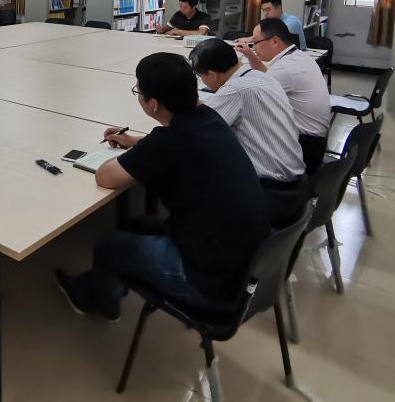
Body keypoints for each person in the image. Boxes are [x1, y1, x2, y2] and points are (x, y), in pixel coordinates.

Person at [54, 53, 270, 321]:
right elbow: (170, 144)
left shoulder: (169, 141)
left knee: (107, 245)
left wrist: (135, 153)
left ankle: (101, 304)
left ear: (154, 104)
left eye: (139, 91)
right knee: (135, 224)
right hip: (246, 261)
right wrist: (134, 142)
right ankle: (105, 281)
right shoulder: (207, 116)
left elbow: (105, 177)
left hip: (210, 284)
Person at [189, 39, 308, 226]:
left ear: (212, 75)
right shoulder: (262, 77)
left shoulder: (234, 90)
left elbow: (194, 130)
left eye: (199, 75)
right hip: (296, 185)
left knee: (191, 171)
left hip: (270, 193)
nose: (201, 80)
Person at [235, 18, 331, 173]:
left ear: (274, 41)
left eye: (256, 42)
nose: (254, 47)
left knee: (237, 127)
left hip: (304, 146)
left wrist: (234, 68)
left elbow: (248, 92)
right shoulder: (297, 57)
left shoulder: (285, 69)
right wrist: (251, 56)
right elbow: (268, 77)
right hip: (314, 141)